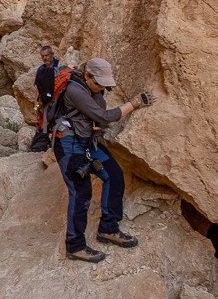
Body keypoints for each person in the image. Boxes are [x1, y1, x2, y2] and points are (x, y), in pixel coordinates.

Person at [52, 57, 151, 263]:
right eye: (98, 83)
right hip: (69, 145)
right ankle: (75, 245)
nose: (101, 87)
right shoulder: (74, 90)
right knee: (81, 192)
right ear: (87, 75)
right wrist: (133, 104)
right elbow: (104, 116)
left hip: (88, 142)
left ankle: (108, 228)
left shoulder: (93, 88)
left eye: (105, 84)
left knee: (114, 175)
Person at [29, 45, 57, 152]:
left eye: (47, 55)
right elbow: (38, 89)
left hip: (56, 101)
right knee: (42, 125)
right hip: (45, 102)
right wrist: (36, 105)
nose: (45, 58)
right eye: (43, 56)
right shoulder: (41, 69)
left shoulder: (58, 66)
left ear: (52, 54)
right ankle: (38, 148)